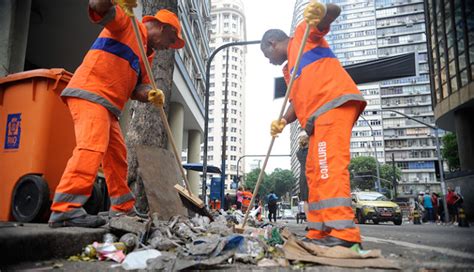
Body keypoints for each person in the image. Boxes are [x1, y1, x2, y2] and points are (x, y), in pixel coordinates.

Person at [48, 0, 185, 228]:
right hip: (90, 92)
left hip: (108, 105)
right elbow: (98, 6)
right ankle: (66, 209)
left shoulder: (146, 55)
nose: (168, 47)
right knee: (92, 146)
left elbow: (137, 90)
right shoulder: (129, 24)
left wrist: (151, 93)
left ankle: (122, 208)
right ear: (163, 28)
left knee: (117, 157)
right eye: (171, 41)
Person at [262, 0, 366, 248]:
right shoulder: (291, 69)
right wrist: (283, 121)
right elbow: (298, 103)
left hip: (332, 105)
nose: (269, 61)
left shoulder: (302, 33)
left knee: (328, 165)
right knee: (314, 172)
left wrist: (322, 10)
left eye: (267, 55)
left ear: (271, 43)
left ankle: (344, 235)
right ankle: (319, 231)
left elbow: (332, 13)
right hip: (318, 118)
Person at [296, 130, 309, 220]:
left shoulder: (298, 153)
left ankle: (310, 222)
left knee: (306, 200)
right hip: (312, 174)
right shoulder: (312, 150)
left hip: (302, 176)